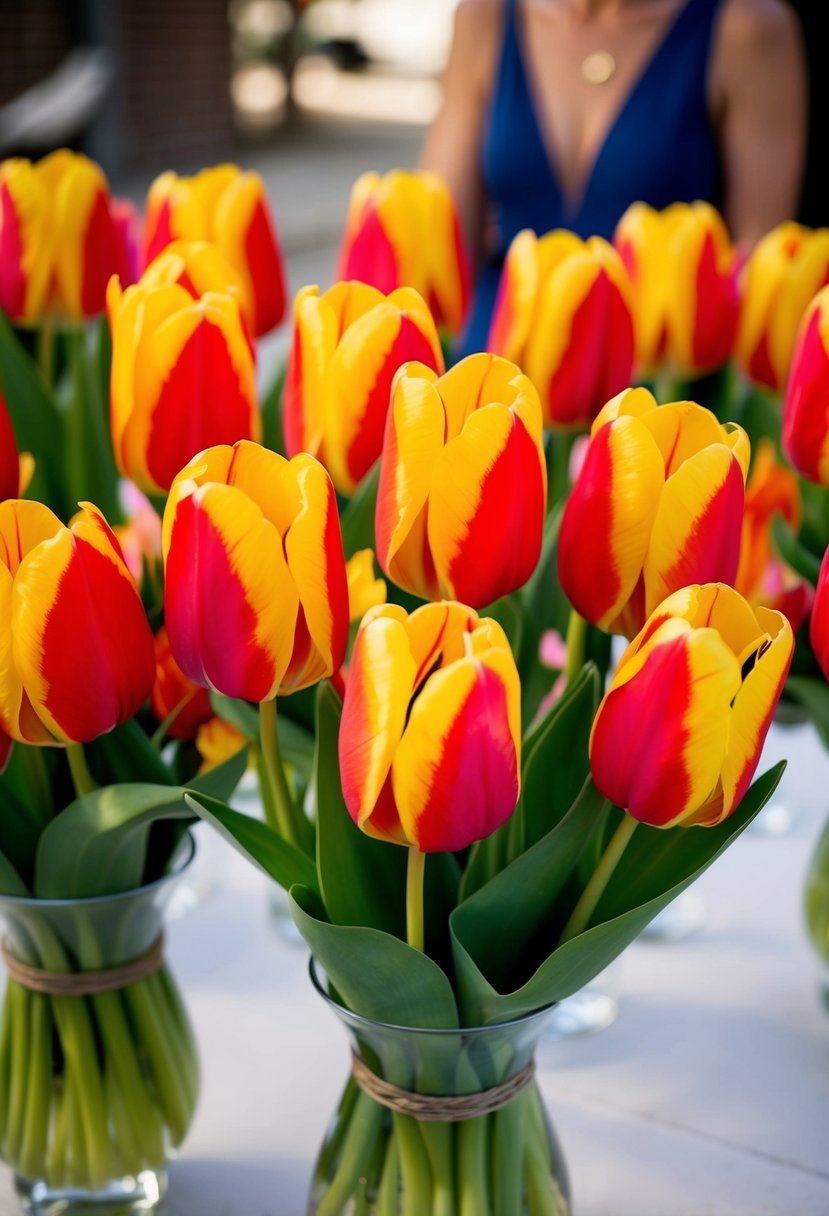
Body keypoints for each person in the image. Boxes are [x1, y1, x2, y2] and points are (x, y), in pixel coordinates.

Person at [421, 0, 808, 355]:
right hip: (490, 386)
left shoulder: (745, 30)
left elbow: (761, 270)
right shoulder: (485, 17)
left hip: (652, 398)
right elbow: (436, 243)